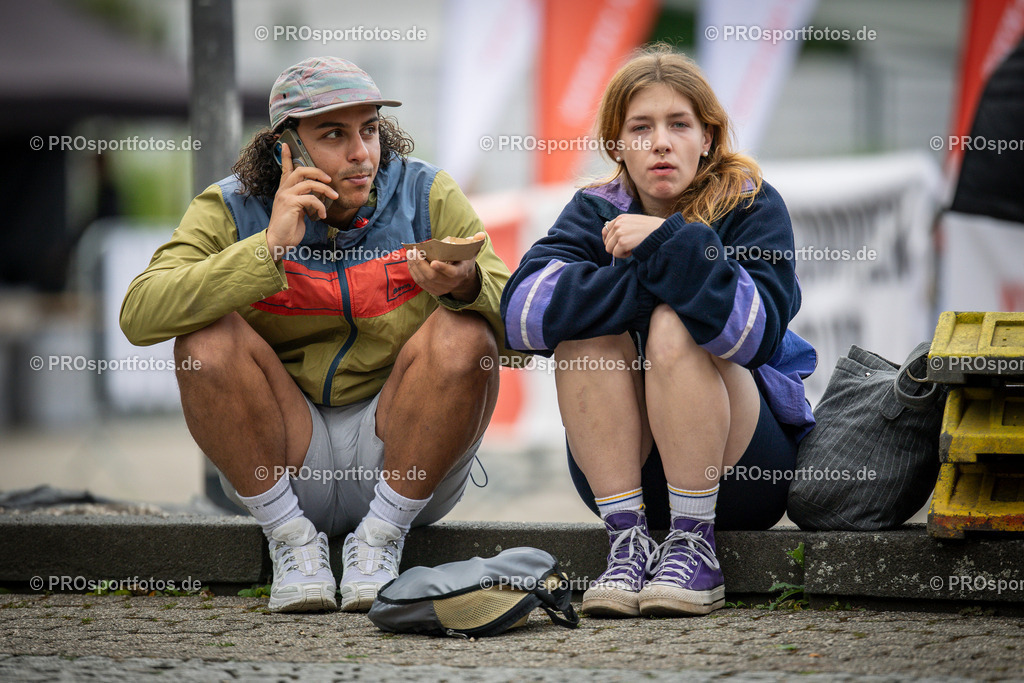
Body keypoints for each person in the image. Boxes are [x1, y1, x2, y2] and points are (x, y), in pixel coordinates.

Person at [121, 56, 516, 613]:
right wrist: (268, 248)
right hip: (283, 462)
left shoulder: (427, 193)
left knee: (466, 335)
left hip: (400, 459)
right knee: (203, 342)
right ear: (287, 149)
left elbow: (526, 326)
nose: (362, 154)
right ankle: (291, 545)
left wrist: (466, 285)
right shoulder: (230, 205)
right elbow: (139, 314)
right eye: (335, 135)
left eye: (371, 130)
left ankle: (381, 540)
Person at [500, 45, 816, 619]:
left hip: (744, 472)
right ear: (617, 145)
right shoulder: (594, 209)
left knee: (677, 326)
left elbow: (754, 334)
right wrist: (649, 279)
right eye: (640, 128)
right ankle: (627, 545)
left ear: (709, 138)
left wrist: (667, 244)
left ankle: (696, 544)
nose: (661, 142)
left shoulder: (751, 204)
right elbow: (522, 315)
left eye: (679, 125)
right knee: (585, 332)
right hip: (623, 476)